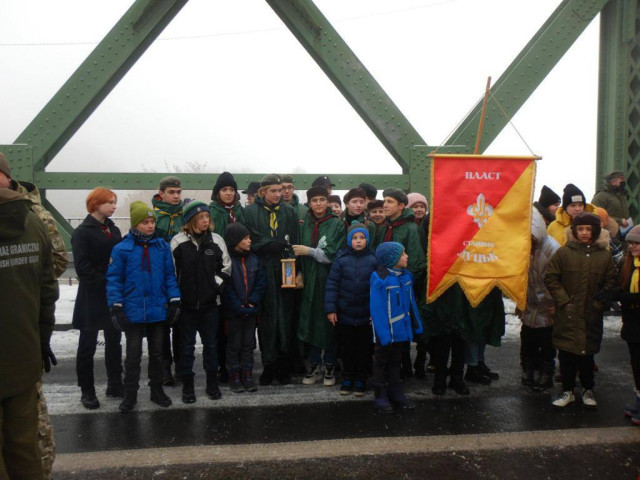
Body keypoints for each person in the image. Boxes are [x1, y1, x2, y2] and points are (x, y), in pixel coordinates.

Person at [1, 152, 66, 478]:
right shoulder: (33, 218)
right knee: (24, 445)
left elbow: (49, 277)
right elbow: (48, 285)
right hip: (23, 350)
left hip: (23, 347)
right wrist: (40, 336)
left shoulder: (34, 217)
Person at [107, 201, 181, 413]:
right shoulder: (122, 249)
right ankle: (130, 394)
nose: (150, 226)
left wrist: (174, 299)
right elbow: (114, 279)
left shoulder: (162, 247)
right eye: (145, 222)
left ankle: (157, 390)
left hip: (157, 308)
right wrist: (116, 306)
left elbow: (169, 276)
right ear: (135, 224)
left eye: (152, 222)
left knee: (157, 354)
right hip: (133, 309)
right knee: (133, 356)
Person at [545, 212, 617, 408]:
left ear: (596, 231)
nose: (584, 233)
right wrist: (564, 301)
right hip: (567, 314)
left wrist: (599, 303)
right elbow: (551, 277)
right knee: (566, 354)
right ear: (574, 231)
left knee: (587, 354)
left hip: (590, 315)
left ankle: (587, 388)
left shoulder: (604, 256)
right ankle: (567, 390)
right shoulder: (564, 253)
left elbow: (611, 282)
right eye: (580, 229)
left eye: (588, 229)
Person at [171, 201, 231, 403]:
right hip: (187, 306)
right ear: (191, 221)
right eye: (201, 218)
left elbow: (226, 268)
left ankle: (212, 384)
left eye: (207, 217)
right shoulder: (178, 242)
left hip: (210, 305)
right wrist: (177, 296)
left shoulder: (216, 240)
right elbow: (171, 273)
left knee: (211, 345)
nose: (205, 221)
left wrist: (214, 286)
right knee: (186, 347)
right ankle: (188, 386)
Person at [243, 174, 300, 385]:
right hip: (262, 268)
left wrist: (297, 271)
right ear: (262, 192)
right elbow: (249, 239)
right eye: (273, 191)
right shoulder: (249, 212)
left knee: (285, 316)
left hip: (285, 268)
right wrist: (267, 244)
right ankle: (269, 364)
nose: (278, 194)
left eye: (280, 190)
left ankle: (284, 365)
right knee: (267, 318)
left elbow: (295, 240)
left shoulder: (289, 212)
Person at [71, 188, 123, 410]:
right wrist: (107, 281)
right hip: (92, 295)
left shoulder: (113, 229)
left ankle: (115, 383)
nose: (114, 206)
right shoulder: (82, 233)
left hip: (112, 295)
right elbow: (82, 268)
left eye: (114, 202)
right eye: (109, 202)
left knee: (114, 341)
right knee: (87, 345)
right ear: (95, 204)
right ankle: (87, 390)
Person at [294, 186, 346, 386]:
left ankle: (330, 364)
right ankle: (314, 364)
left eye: (322, 199)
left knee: (329, 323)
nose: (318, 204)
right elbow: (296, 255)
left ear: (327, 201)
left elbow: (333, 255)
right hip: (309, 282)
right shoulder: (304, 224)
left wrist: (309, 251)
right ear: (309, 203)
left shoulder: (336, 224)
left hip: (329, 281)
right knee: (311, 323)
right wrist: (299, 273)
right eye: (314, 200)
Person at [325, 223, 378, 396]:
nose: (358, 241)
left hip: (366, 315)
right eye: (355, 238)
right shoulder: (341, 259)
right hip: (345, 314)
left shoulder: (374, 259)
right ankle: (348, 377)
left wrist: (376, 312)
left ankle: (361, 379)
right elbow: (332, 285)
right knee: (347, 348)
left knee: (364, 349)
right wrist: (331, 309)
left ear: (367, 240)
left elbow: (379, 288)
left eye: (362, 238)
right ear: (349, 240)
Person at [370, 242, 423, 413]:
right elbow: (377, 309)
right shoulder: (380, 279)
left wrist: (417, 325)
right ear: (392, 259)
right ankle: (380, 395)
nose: (407, 256)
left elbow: (411, 303)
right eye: (403, 254)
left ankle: (396, 392)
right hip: (385, 333)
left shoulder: (407, 277)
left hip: (401, 330)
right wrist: (384, 334)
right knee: (381, 362)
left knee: (396, 361)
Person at [208, 171, 244, 383]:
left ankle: (238, 364)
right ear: (217, 192)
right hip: (220, 269)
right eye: (224, 189)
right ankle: (222, 365)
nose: (228, 193)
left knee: (238, 321)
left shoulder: (240, 211)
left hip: (240, 267)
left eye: (231, 189)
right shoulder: (212, 211)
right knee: (221, 323)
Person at [518, 208, 560, 390]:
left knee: (547, 341)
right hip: (528, 301)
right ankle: (528, 369)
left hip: (547, 304)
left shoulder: (552, 248)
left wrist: (553, 302)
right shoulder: (521, 246)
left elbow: (558, 278)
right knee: (528, 339)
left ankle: (546, 372)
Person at [223, 223, 267, 393]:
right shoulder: (228, 261)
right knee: (234, 344)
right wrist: (238, 305)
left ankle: (247, 375)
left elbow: (260, 283)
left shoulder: (254, 259)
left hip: (251, 311)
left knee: (249, 344)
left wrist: (253, 301)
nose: (250, 241)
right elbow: (227, 287)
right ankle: (234, 375)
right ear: (236, 241)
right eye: (246, 238)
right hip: (234, 312)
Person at [152, 176, 185, 386]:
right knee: (162, 327)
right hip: (160, 279)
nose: (175, 196)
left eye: (178, 192)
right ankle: (164, 368)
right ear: (161, 193)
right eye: (171, 192)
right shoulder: (153, 217)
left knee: (181, 326)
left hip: (182, 277)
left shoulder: (185, 216)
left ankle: (181, 367)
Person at [616, 226, 640, 425]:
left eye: (637, 243)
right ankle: (639, 399)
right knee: (636, 363)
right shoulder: (628, 264)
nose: (632, 246)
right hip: (632, 323)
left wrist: (623, 297)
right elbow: (622, 287)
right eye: (630, 243)